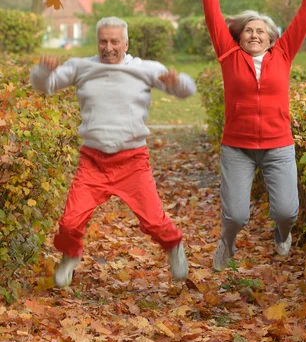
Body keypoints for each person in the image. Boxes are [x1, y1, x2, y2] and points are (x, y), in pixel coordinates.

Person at [30, 17, 195, 287]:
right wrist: (43, 71)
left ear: (126, 43)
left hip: (132, 161)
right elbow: (44, 85)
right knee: (70, 223)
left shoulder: (145, 69)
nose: (108, 47)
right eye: (103, 41)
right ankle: (70, 256)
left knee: (154, 221)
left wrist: (179, 81)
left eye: (115, 41)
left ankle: (174, 246)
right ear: (97, 42)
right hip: (93, 161)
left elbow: (186, 90)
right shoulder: (82, 66)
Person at [201, 0, 306, 271]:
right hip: (237, 147)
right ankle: (226, 244)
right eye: (248, 30)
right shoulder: (228, 55)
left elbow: (303, 19)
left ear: (272, 39)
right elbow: (213, 16)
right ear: (239, 37)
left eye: (261, 31)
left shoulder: (283, 54)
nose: (254, 34)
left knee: (288, 211)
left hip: (278, 145)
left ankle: (281, 233)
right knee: (235, 216)